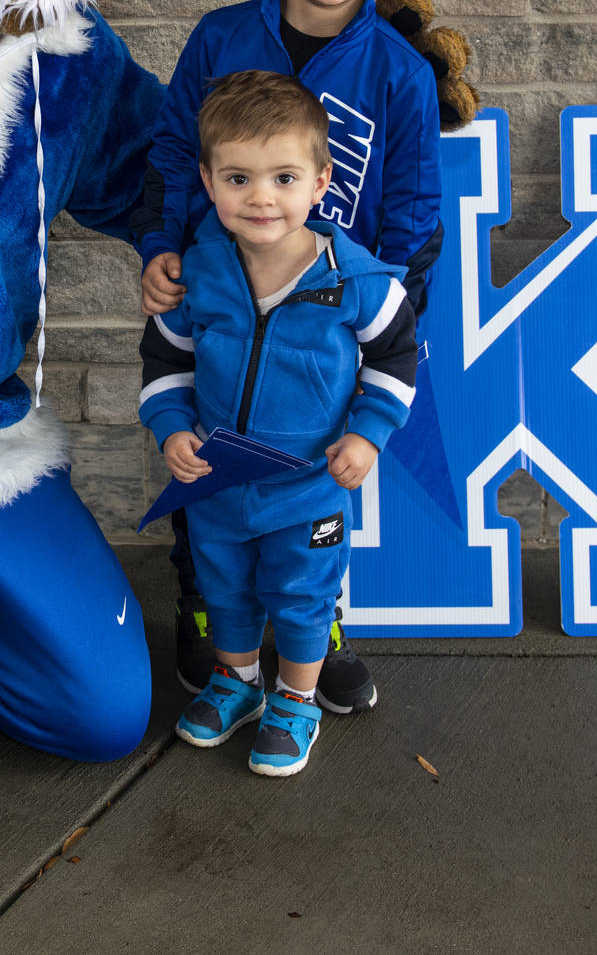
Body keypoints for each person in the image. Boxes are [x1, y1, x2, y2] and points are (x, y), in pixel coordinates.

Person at [133, 0, 441, 709]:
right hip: (222, 310)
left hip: (323, 326)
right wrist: (160, 249)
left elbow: (415, 207)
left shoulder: (398, 71)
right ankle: (206, 613)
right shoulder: (221, 38)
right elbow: (169, 159)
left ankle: (315, 626)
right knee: (207, 456)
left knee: (311, 479)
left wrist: (380, 305)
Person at [138, 71, 418, 775]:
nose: (260, 197)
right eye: (237, 177)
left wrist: (368, 432)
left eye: (283, 177)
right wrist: (172, 427)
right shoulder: (197, 275)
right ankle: (238, 683)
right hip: (217, 481)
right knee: (224, 588)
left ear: (320, 181)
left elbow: (395, 355)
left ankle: (298, 698)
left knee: (300, 596)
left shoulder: (356, 282)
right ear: (207, 181)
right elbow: (165, 360)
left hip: (308, 484)